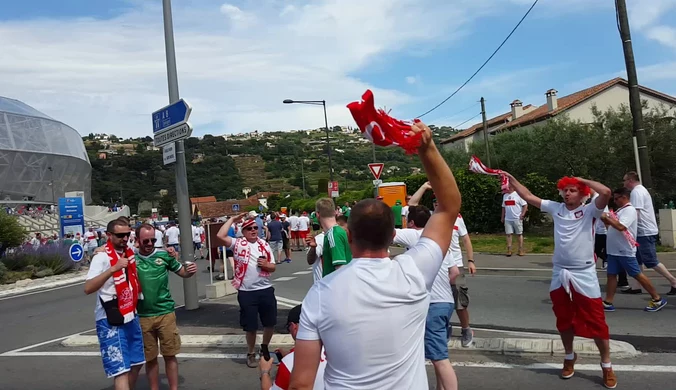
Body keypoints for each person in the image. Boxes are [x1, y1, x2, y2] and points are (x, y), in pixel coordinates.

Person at [290, 121, 462, 390]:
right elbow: (448, 207)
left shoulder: (320, 293)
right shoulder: (414, 272)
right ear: (393, 236)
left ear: (348, 237)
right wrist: (426, 148)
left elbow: (301, 384)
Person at [506, 173, 617, 388]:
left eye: (572, 190)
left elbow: (605, 192)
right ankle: (568, 356)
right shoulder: (556, 208)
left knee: (597, 322)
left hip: (584, 273)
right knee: (563, 319)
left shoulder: (591, 210)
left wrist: (583, 180)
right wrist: (511, 179)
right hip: (560, 272)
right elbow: (528, 196)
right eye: (565, 190)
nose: (567, 193)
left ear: (583, 194)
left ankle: (606, 365)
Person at [393, 204, 458, 390]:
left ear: (411, 222)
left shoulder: (415, 236)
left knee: (440, 359)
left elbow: (386, 231)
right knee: (439, 352)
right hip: (446, 301)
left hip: (432, 303)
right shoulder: (439, 241)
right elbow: (453, 272)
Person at [131, 224, 197, 390]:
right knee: (150, 358)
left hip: (165, 313)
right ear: (137, 240)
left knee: (170, 355)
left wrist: (190, 271)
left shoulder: (164, 256)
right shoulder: (131, 259)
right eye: (146, 240)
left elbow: (183, 272)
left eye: (153, 239)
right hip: (142, 315)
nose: (150, 243)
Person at [410, 182, 476, 347]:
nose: (437, 203)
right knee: (437, 301)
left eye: (439, 200)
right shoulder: (431, 217)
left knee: (460, 301)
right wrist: (424, 187)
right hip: (436, 264)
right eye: (435, 201)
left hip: (456, 264)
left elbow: (466, 239)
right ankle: (444, 327)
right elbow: (412, 205)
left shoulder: (457, 217)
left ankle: (466, 329)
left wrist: (470, 260)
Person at [84, 219, 144, 390]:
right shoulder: (101, 257)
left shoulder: (129, 253)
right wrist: (112, 269)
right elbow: (88, 288)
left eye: (127, 234)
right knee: (120, 369)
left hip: (130, 314)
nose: (125, 238)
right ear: (108, 235)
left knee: (137, 362)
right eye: (120, 235)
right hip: (110, 318)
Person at [217, 213, 277, 368]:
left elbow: (273, 267)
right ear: (243, 231)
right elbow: (220, 235)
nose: (253, 230)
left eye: (255, 228)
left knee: (269, 323)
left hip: (265, 289)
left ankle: (264, 347)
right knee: (251, 327)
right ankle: (250, 352)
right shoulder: (238, 244)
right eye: (249, 228)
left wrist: (266, 265)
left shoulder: (264, 244)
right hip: (246, 292)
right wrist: (231, 219)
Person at [601, 188, 667, 312]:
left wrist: (608, 218)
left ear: (624, 197)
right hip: (614, 250)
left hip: (624, 250)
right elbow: (612, 226)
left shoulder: (629, 210)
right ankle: (608, 301)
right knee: (611, 275)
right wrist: (605, 220)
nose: (615, 201)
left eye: (616, 198)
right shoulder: (620, 211)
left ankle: (657, 298)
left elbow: (621, 226)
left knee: (637, 274)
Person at [623, 171, 676, 295]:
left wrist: (624, 225)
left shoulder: (636, 192)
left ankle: (673, 281)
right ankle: (637, 286)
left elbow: (635, 213)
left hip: (644, 231)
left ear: (630, 180)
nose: (623, 183)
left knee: (650, 260)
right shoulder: (640, 190)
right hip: (642, 231)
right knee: (637, 259)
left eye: (624, 180)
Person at [258, 305, 327, 390]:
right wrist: (290, 353)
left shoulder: (289, 363)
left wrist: (265, 371)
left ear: (293, 327)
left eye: (288, 327)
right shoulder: (338, 352)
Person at [315, 198, 352, 277]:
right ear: (335, 212)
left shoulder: (333, 234)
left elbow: (340, 268)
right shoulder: (339, 231)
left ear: (318, 214)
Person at [501, 184, 528, 257]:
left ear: (513, 187)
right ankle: (509, 250)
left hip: (517, 218)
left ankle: (520, 249)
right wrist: (502, 217)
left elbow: (525, 205)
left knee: (519, 234)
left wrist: (522, 214)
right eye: (507, 187)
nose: (508, 188)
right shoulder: (505, 196)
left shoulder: (518, 195)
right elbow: (503, 207)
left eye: (509, 187)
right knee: (509, 234)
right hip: (508, 218)